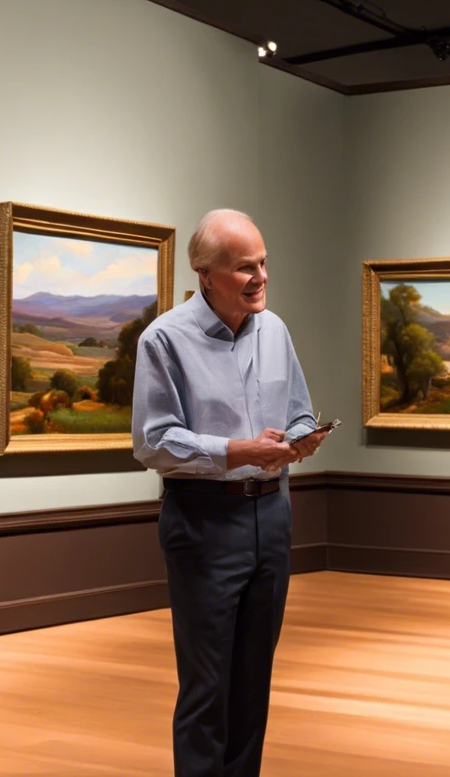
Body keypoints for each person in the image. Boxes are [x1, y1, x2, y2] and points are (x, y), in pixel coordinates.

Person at [132, 208, 330, 777]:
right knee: (206, 687)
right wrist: (240, 451)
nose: (261, 276)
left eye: (264, 262)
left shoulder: (276, 330)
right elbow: (153, 443)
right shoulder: (164, 339)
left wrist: (300, 439)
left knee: (252, 683)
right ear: (206, 273)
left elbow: (296, 413)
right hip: (203, 523)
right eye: (245, 267)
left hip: (273, 516)